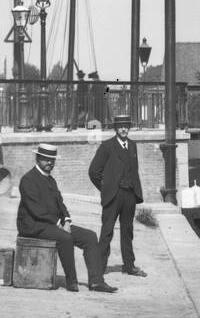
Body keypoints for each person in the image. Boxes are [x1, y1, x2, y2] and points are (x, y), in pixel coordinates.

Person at [20, 143, 116, 293]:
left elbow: (61, 204)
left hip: (52, 225)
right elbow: (36, 210)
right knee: (65, 238)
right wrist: (59, 223)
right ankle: (71, 281)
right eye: (45, 159)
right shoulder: (28, 179)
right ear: (37, 158)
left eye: (52, 160)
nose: (49, 163)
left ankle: (97, 281)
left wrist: (67, 220)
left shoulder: (50, 180)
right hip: (33, 226)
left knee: (90, 237)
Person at [88, 113, 146, 277]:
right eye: (120, 126)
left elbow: (134, 171)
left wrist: (135, 191)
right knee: (107, 231)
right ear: (115, 129)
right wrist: (106, 188)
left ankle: (129, 265)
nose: (123, 129)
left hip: (129, 195)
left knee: (128, 230)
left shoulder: (133, 145)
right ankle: (99, 267)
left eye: (126, 126)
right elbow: (93, 172)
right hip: (113, 195)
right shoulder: (107, 146)